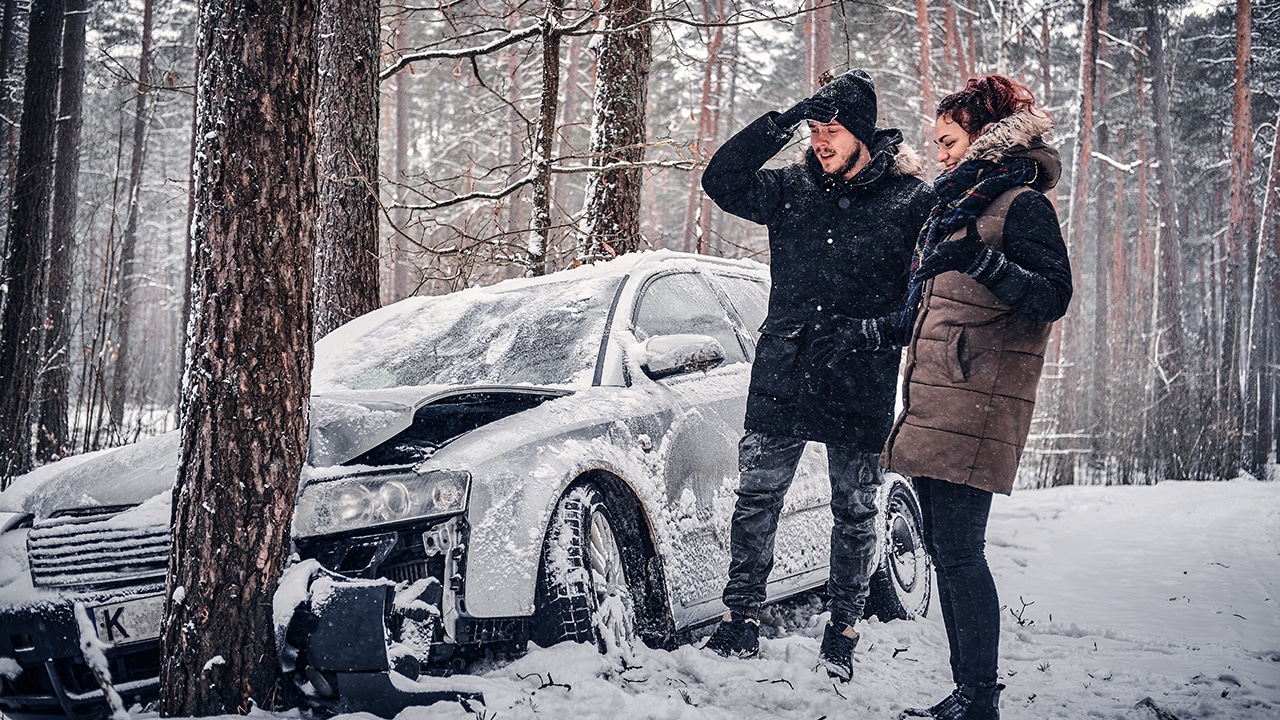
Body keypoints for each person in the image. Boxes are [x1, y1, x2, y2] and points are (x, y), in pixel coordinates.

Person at [699, 69, 934, 682]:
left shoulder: (911, 202)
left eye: (832, 129)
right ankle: (741, 619)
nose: (820, 140)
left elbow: (925, 300)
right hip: (784, 369)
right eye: (814, 129)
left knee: (855, 510)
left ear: (862, 133)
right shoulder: (791, 188)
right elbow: (721, 180)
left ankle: (843, 630)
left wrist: (876, 332)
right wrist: (782, 121)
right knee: (757, 500)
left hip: (860, 374)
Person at [882, 75, 1073, 720]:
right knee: (946, 550)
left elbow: (1052, 297)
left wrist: (981, 261)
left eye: (949, 141)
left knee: (961, 552)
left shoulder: (1020, 204)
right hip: (939, 395)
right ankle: (969, 694)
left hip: (978, 397)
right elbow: (936, 301)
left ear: (986, 138)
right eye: (935, 142)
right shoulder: (956, 207)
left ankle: (978, 700)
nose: (938, 154)